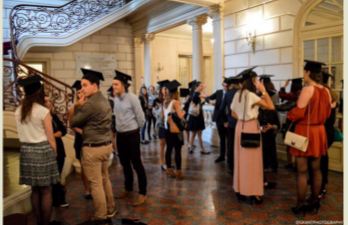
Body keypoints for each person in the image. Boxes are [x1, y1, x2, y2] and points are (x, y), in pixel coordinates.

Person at [70, 69, 117, 221]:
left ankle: (101, 215)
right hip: (106, 146)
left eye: (85, 85)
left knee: (95, 184)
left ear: (94, 86)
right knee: (105, 178)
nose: (82, 89)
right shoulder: (105, 100)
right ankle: (110, 208)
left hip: (93, 148)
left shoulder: (90, 104)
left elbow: (73, 122)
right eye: (82, 86)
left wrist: (77, 104)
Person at [15, 75, 60, 225]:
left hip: (26, 151)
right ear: (39, 92)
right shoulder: (42, 111)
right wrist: (55, 152)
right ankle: (45, 224)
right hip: (42, 151)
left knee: (34, 190)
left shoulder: (19, 110)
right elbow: (51, 137)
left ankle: (39, 222)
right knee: (46, 191)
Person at [287, 60, 331, 215]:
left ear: (308, 73)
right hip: (319, 131)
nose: (303, 75)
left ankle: (300, 204)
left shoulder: (307, 90)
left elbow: (298, 113)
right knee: (316, 168)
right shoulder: (326, 90)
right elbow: (327, 114)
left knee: (301, 171)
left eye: (304, 72)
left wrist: (289, 114)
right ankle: (314, 201)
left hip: (304, 131)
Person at [231, 67, 275, 205]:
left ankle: (240, 190)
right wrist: (263, 90)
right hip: (250, 127)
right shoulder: (251, 95)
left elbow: (232, 113)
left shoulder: (237, 93)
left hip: (239, 127)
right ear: (252, 81)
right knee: (253, 162)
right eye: (256, 80)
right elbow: (271, 106)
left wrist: (243, 117)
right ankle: (253, 194)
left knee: (240, 160)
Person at [113, 70, 147, 206]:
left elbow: (141, 117)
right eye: (113, 84)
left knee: (136, 164)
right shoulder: (115, 98)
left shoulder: (132, 98)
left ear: (123, 85)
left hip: (132, 135)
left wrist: (135, 130)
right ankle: (128, 188)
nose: (113, 87)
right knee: (124, 163)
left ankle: (142, 193)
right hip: (120, 136)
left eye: (116, 84)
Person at [308, 71, 338, 199]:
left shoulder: (323, 93)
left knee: (318, 161)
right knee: (322, 159)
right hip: (328, 131)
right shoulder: (331, 93)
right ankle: (321, 185)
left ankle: (319, 189)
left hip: (322, 130)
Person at [68, 80, 92, 200]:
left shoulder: (91, 105)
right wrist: (80, 131)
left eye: (82, 92)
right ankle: (87, 189)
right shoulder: (74, 107)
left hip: (92, 138)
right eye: (78, 93)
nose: (80, 94)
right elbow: (71, 125)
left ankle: (95, 187)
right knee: (83, 166)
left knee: (92, 164)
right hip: (80, 138)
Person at [44, 95, 69, 208]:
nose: (49, 103)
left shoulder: (53, 116)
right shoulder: (41, 117)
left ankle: (58, 198)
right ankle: (55, 199)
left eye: (49, 101)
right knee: (51, 177)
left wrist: (54, 134)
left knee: (58, 174)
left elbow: (63, 130)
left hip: (59, 148)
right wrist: (54, 135)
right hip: (48, 149)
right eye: (46, 101)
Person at [162, 80, 186, 179]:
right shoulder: (175, 102)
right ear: (176, 93)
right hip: (175, 131)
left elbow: (164, 116)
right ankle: (179, 172)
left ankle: (169, 170)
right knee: (177, 151)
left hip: (167, 129)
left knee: (168, 150)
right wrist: (183, 112)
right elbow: (180, 117)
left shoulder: (164, 102)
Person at [279, 78, 303, 170]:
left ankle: (290, 162)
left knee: (289, 143)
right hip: (300, 121)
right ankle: (297, 164)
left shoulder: (291, 95)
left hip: (291, 121)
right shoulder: (302, 95)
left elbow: (281, 94)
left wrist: (285, 85)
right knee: (298, 143)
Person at [219, 76, 242, 174]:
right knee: (241, 144)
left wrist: (225, 120)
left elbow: (221, 109)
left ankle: (231, 167)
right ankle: (241, 165)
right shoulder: (242, 93)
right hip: (241, 122)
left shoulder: (228, 93)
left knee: (231, 144)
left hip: (231, 122)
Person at [258, 75, 280, 173]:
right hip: (261, 130)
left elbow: (277, 123)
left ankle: (271, 165)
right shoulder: (258, 110)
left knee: (271, 147)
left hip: (270, 128)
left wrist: (271, 127)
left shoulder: (272, 109)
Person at [206, 78, 229, 163]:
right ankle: (222, 155)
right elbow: (207, 98)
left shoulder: (230, 93)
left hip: (228, 119)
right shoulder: (219, 92)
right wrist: (211, 101)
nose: (225, 88)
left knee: (229, 138)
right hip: (219, 118)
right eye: (224, 86)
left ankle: (229, 155)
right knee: (222, 138)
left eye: (227, 86)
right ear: (222, 85)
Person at [187, 81, 210, 154]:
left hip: (192, 115)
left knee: (192, 133)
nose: (201, 87)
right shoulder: (197, 93)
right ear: (196, 87)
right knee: (199, 134)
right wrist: (205, 89)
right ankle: (202, 149)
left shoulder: (193, 93)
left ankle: (190, 147)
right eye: (200, 86)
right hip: (197, 116)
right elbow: (207, 96)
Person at [154, 80, 170, 171]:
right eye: (164, 88)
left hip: (169, 124)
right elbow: (157, 113)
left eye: (167, 88)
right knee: (162, 144)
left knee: (169, 144)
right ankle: (162, 163)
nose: (165, 90)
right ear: (161, 90)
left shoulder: (169, 99)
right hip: (162, 125)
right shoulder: (158, 100)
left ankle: (167, 161)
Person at [183, 80, 196, 151]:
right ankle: (189, 143)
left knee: (188, 129)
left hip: (189, 112)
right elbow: (184, 102)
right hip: (187, 112)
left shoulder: (193, 94)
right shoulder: (190, 94)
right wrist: (187, 99)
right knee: (188, 129)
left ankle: (189, 143)